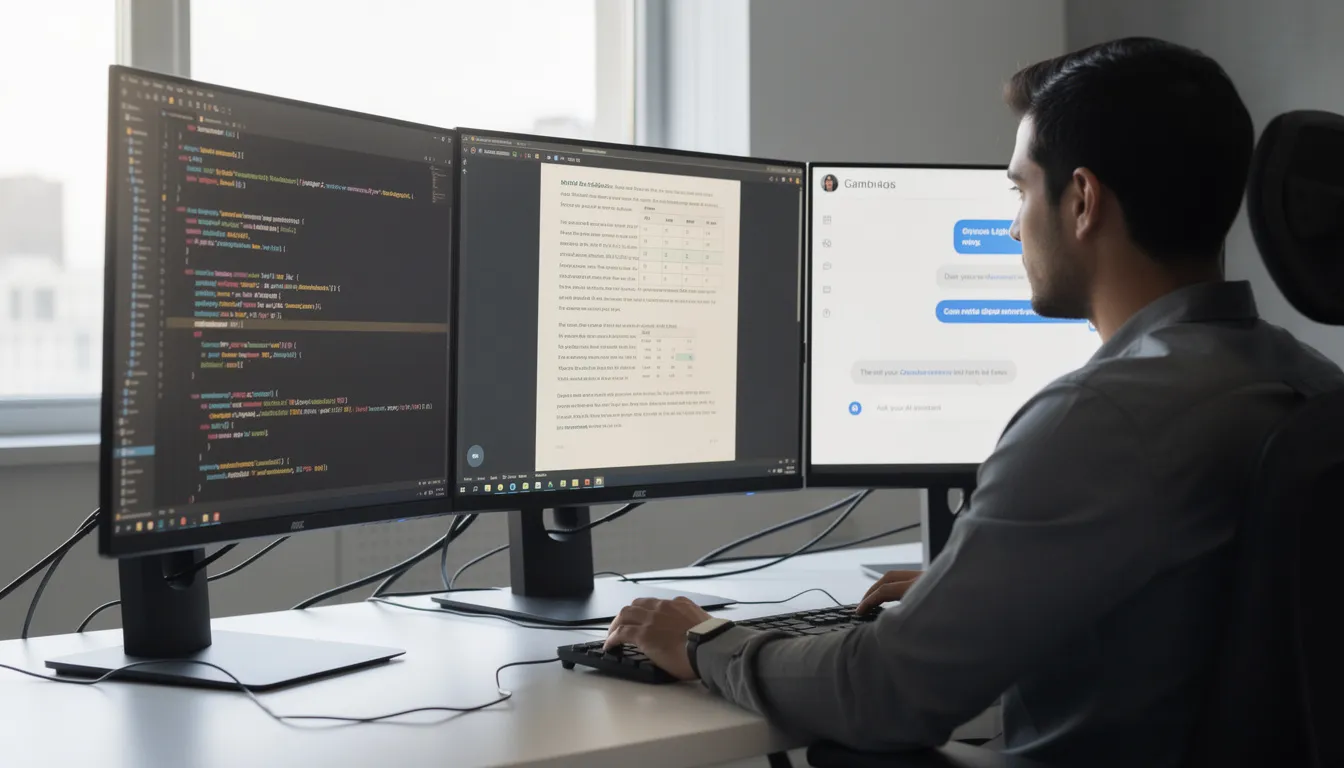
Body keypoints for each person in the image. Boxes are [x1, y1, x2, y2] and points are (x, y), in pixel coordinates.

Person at [602, 37, 1344, 768]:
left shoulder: (1097, 417)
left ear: (1082, 200)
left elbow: (885, 694)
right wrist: (991, 588)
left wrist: (706, 642)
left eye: (1020, 190)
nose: (1016, 222)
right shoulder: (1308, 382)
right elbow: (1204, 608)